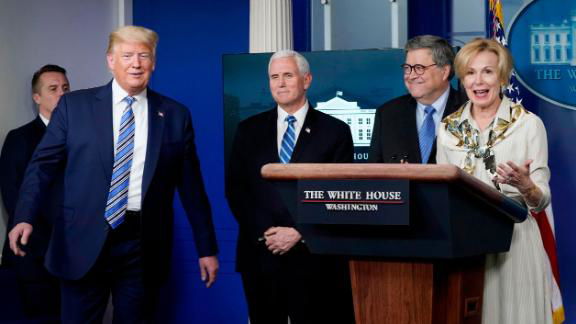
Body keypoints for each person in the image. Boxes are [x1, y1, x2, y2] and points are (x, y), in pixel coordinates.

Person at [8, 26, 219, 323]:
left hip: (142, 246)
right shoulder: (74, 106)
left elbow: (192, 187)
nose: (136, 63)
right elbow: (42, 165)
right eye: (128, 55)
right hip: (81, 240)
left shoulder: (174, 115)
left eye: (143, 56)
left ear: (153, 62)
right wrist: (24, 215)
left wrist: (206, 247)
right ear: (110, 60)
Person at [226, 50, 355, 324]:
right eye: (274, 77)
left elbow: (341, 194)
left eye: (288, 75)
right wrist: (269, 234)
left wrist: (299, 232)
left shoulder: (336, 132)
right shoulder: (249, 130)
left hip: (314, 256)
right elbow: (237, 190)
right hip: (261, 253)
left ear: (306, 80)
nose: (280, 83)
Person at [436, 38, 552, 324]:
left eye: (487, 71)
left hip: (515, 241)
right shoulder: (448, 128)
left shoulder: (527, 124)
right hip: (466, 243)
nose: (479, 81)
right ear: (462, 80)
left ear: (502, 77)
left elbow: (541, 200)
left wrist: (526, 186)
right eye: (470, 73)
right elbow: (441, 190)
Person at [0, 64, 69, 320]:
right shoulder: (20, 138)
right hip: (35, 253)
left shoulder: (82, 137)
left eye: (65, 88)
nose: (61, 93)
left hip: (75, 255)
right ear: (37, 97)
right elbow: (14, 196)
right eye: (53, 89)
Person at [369, 35, 465, 164]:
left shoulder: (469, 109)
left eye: (419, 68)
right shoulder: (388, 114)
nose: (411, 76)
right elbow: (374, 174)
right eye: (407, 68)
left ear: (444, 71)